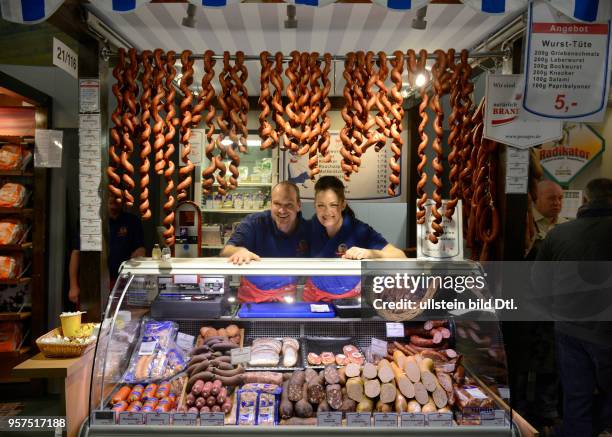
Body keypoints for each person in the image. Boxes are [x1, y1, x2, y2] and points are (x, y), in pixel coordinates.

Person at [532, 178, 612, 437]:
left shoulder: (559, 233)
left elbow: (538, 284)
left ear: (585, 201)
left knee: (576, 399)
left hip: (568, 329)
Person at [304, 176, 406, 302]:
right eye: (321, 205)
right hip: (315, 298)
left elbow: (400, 256)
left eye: (333, 205)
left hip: (350, 300)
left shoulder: (359, 230)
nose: (327, 211)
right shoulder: (309, 228)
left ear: (342, 205)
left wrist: (369, 253)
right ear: (314, 205)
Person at [220, 181, 310, 302]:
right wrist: (240, 250)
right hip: (251, 296)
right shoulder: (254, 222)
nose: (282, 210)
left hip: (288, 296)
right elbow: (226, 251)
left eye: (288, 205)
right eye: (277, 204)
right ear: (271, 204)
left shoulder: (307, 228)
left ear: (298, 205)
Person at [68, 198, 145, 303]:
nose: (113, 201)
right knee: (91, 317)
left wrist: (136, 267)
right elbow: (76, 253)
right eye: (110, 196)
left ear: (123, 200)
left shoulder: (132, 221)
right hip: (92, 282)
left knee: (119, 316)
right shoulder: (91, 221)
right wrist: (73, 286)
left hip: (121, 282)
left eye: (117, 197)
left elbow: (140, 250)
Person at [525, 179, 566, 260]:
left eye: (560, 198)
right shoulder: (525, 223)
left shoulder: (566, 225)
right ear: (536, 199)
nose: (557, 203)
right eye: (551, 198)